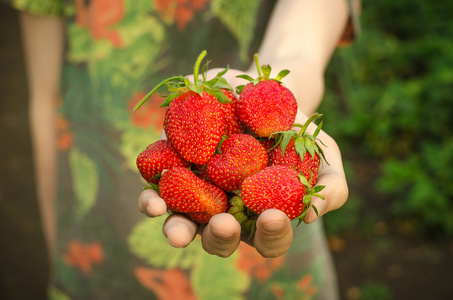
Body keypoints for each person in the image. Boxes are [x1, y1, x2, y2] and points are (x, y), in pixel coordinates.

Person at [8, 0, 359, 298]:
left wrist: (283, 83)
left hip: (262, 232)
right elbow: (47, 103)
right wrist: (59, 242)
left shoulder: (258, 149)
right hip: (100, 211)